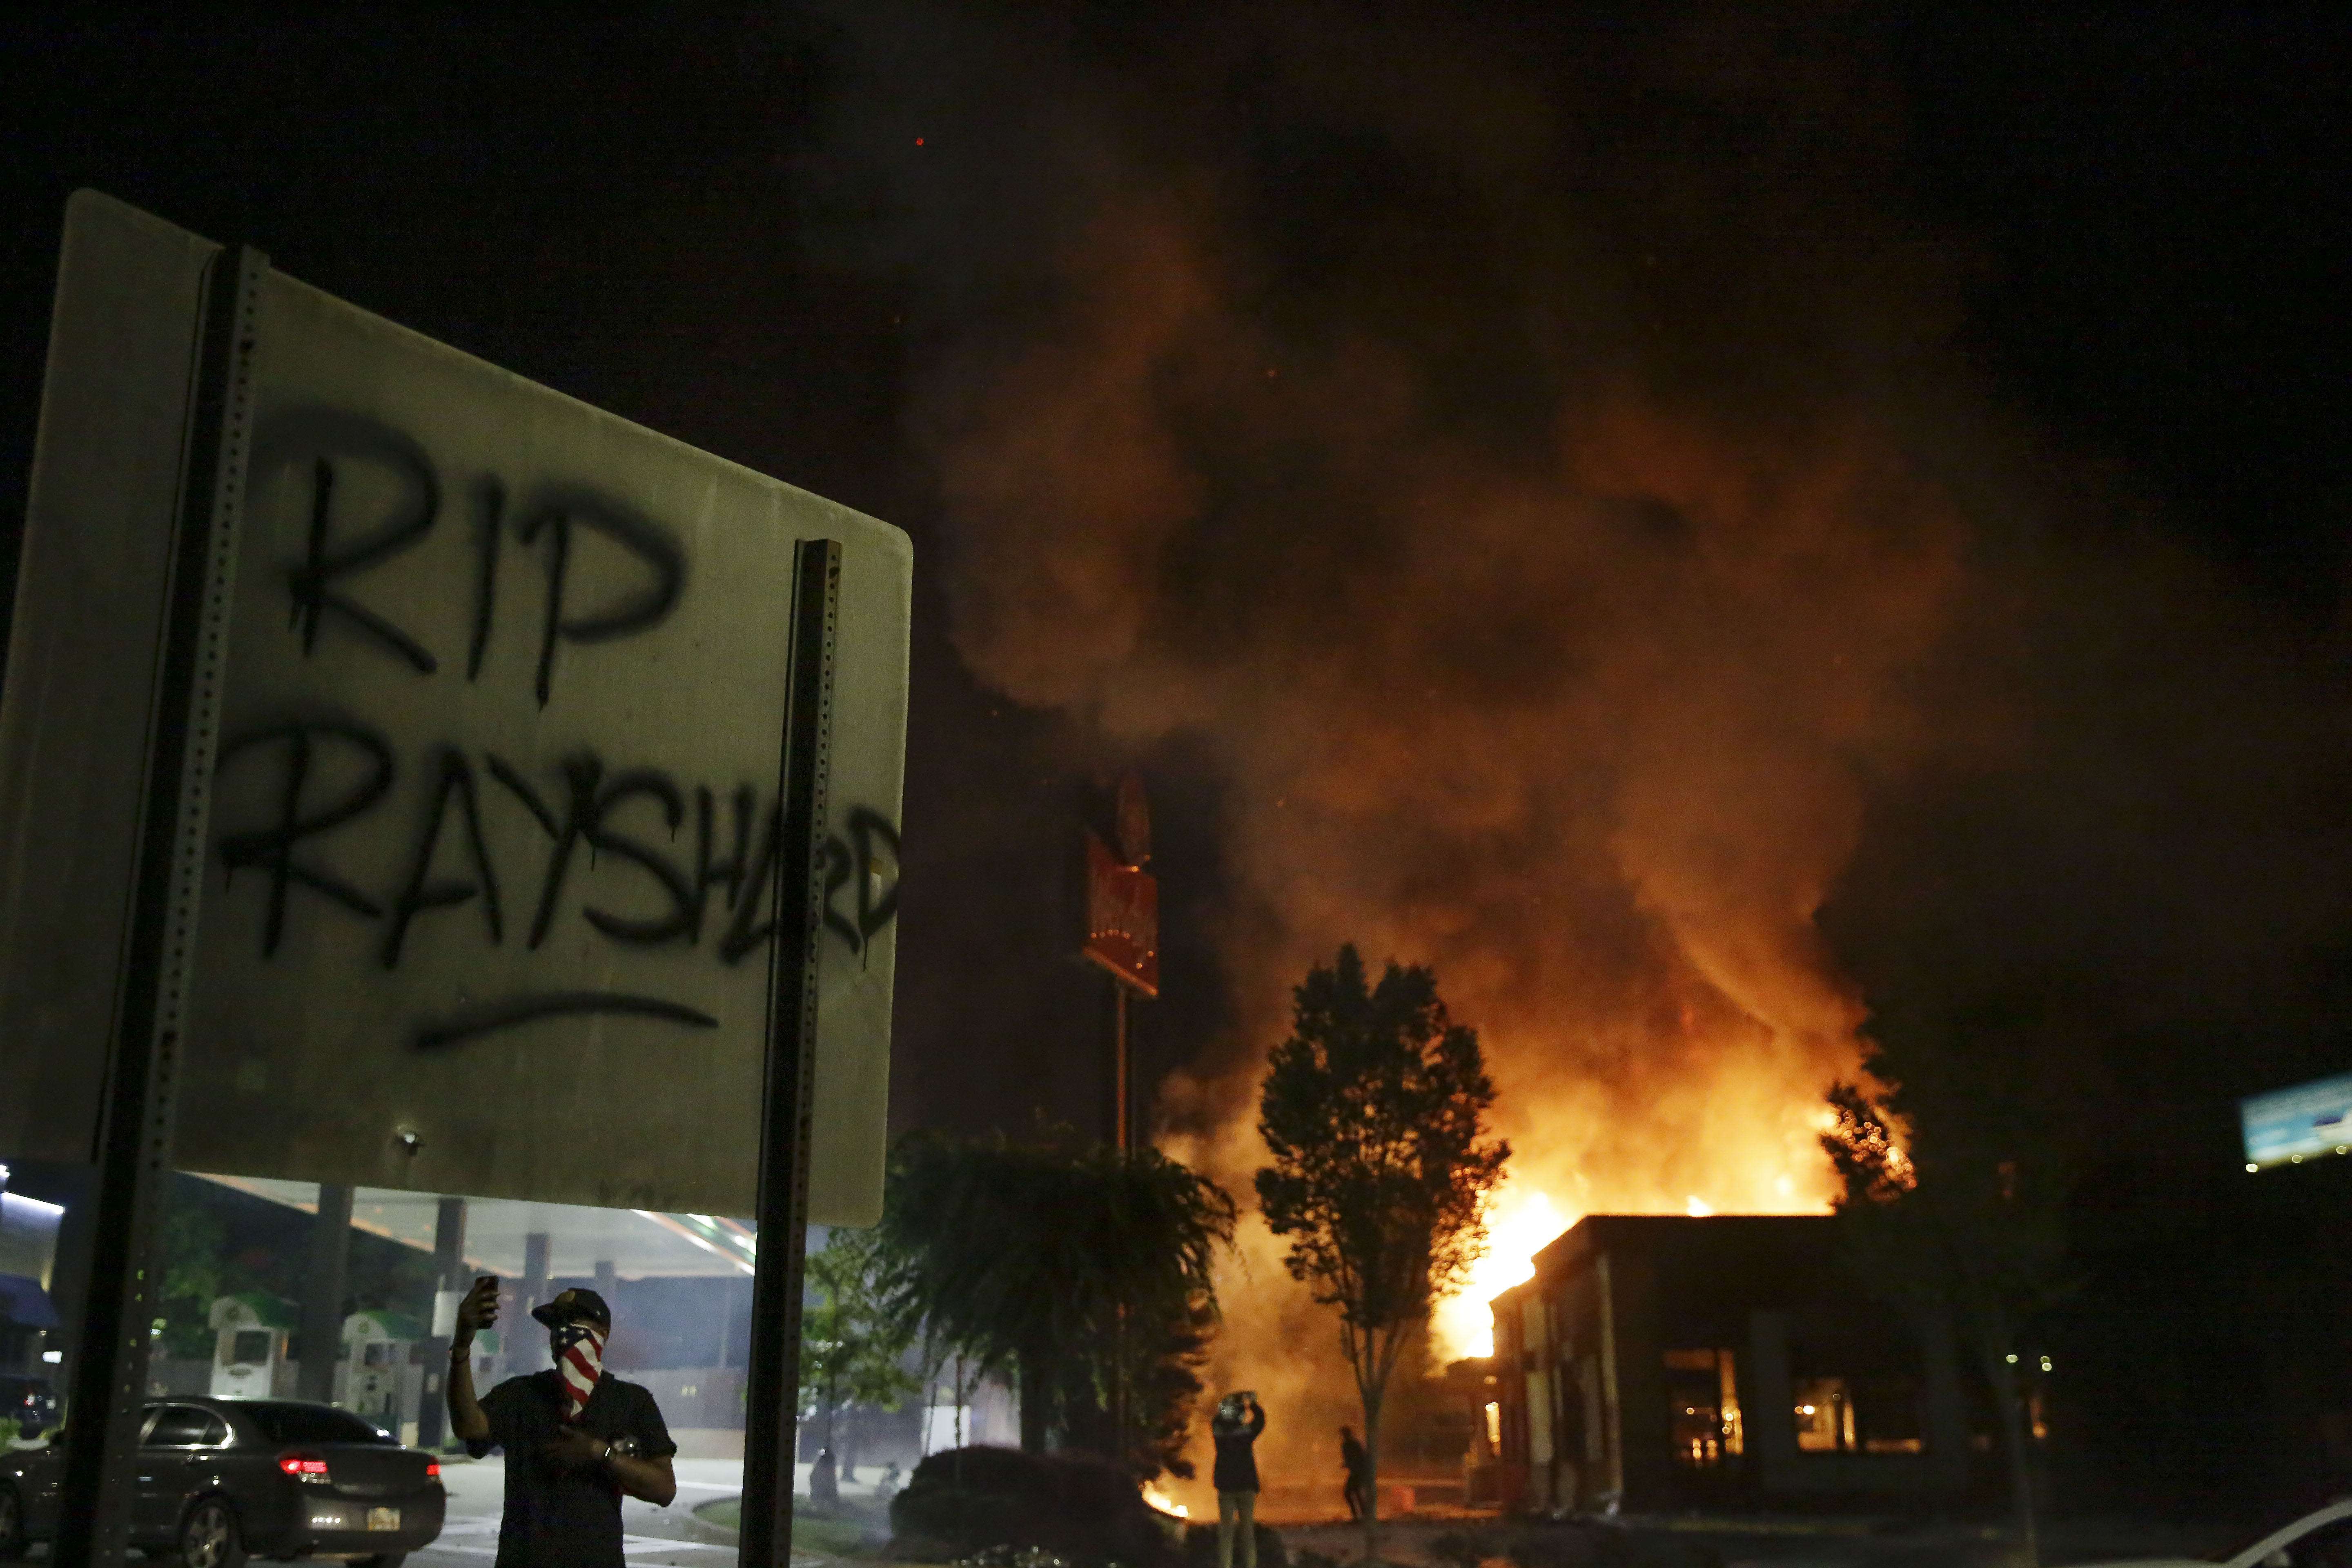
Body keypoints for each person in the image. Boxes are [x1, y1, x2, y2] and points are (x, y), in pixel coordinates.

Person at [448, 1278, 678, 1568]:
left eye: (575, 1322)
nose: (563, 1332)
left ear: (603, 1335)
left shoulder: (633, 1402)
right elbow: (469, 1427)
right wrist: (462, 1343)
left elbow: (664, 1490)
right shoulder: (522, 1394)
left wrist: (601, 1453)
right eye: (556, 1325)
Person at [1211, 1391, 1265, 1568]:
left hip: (1226, 1488)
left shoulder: (1219, 1432)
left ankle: (1225, 1566)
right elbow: (1260, 1421)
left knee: (1226, 1534)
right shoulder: (1246, 1432)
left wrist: (1230, 1399)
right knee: (1247, 1534)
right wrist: (1252, 1404)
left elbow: (1218, 1419)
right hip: (1246, 1487)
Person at [1339, 1425, 1369, 1522]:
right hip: (1357, 1472)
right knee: (1356, 1493)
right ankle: (1362, 1515)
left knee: (1350, 1493)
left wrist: (1348, 1464)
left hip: (1357, 1472)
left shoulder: (1351, 1445)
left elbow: (1358, 1459)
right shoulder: (1351, 1444)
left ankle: (1358, 1516)